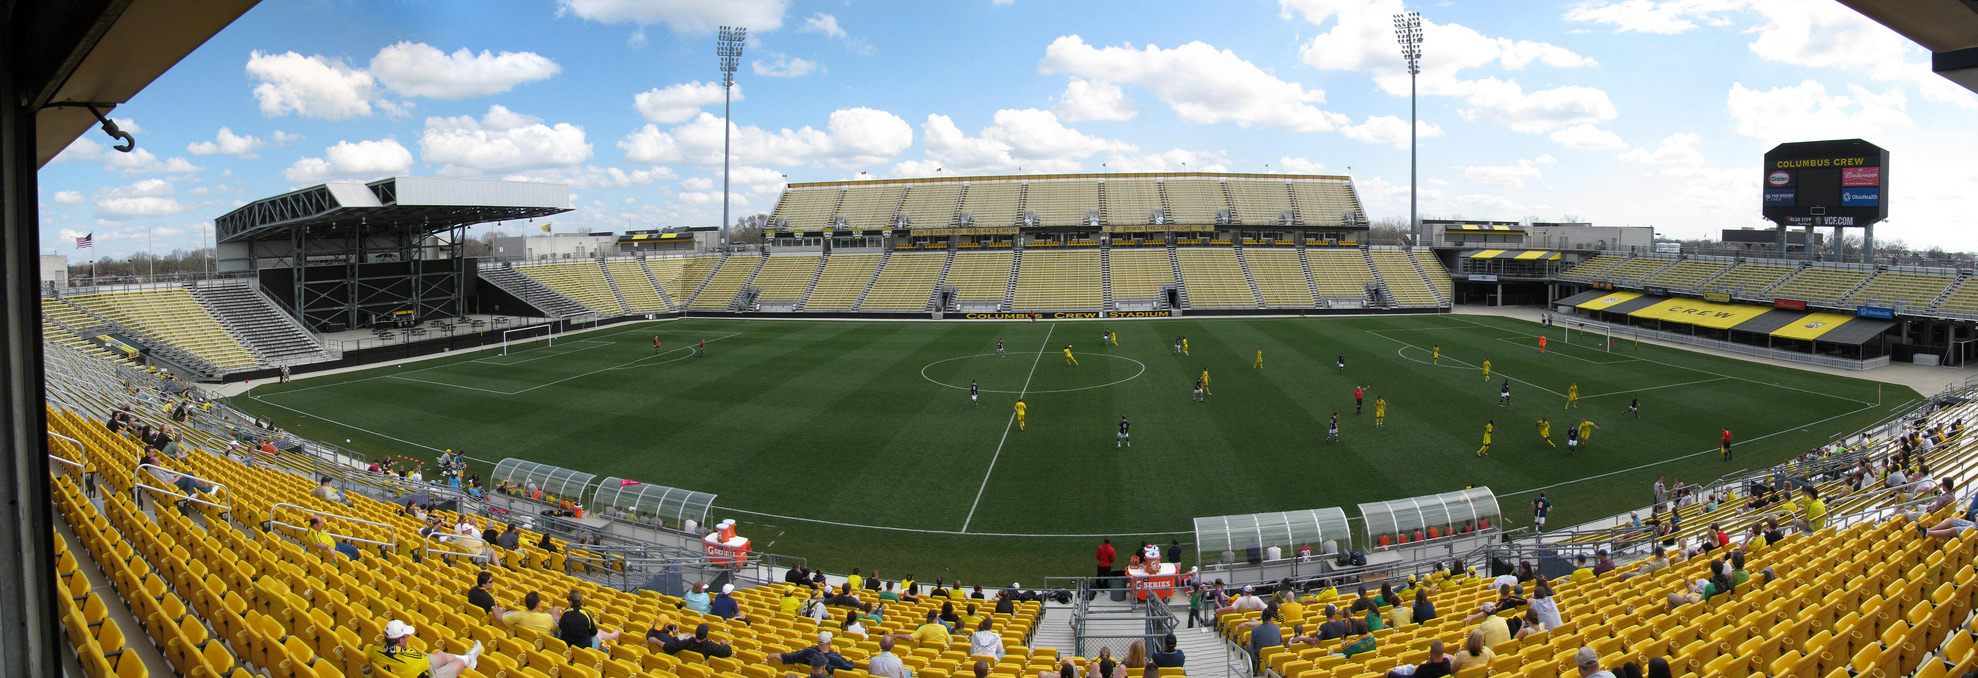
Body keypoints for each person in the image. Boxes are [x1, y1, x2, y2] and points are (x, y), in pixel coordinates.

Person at [365, 619, 481, 678]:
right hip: (427, 675)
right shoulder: (412, 661)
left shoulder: (374, 649)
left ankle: (469, 657)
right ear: (400, 641)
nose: (409, 637)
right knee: (458, 663)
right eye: (407, 636)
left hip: (408, 667)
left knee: (440, 654)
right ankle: (468, 660)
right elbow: (427, 666)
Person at [780, 631, 855, 674]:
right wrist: (852, 662)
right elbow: (849, 667)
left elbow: (791, 657)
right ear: (829, 643)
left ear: (818, 642)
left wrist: (776, 655)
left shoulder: (808, 651)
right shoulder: (836, 658)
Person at [651, 622, 735, 658]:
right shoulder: (711, 646)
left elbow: (668, 648)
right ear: (706, 635)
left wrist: (655, 640)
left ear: (695, 633)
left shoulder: (687, 642)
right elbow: (728, 651)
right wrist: (724, 643)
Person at [1384, 639, 1452, 678]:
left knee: (1388, 673)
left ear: (1430, 652)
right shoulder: (1447, 663)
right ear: (1443, 652)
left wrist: (1390, 674)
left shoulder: (1424, 669)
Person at [1247, 606, 1283, 674]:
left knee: (1249, 646)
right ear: (1271, 618)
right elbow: (1281, 642)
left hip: (1262, 654)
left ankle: (1253, 667)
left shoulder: (1256, 630)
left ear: (1262, 617)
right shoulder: (1277, 628)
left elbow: (1253, 644)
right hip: (1275, 652)